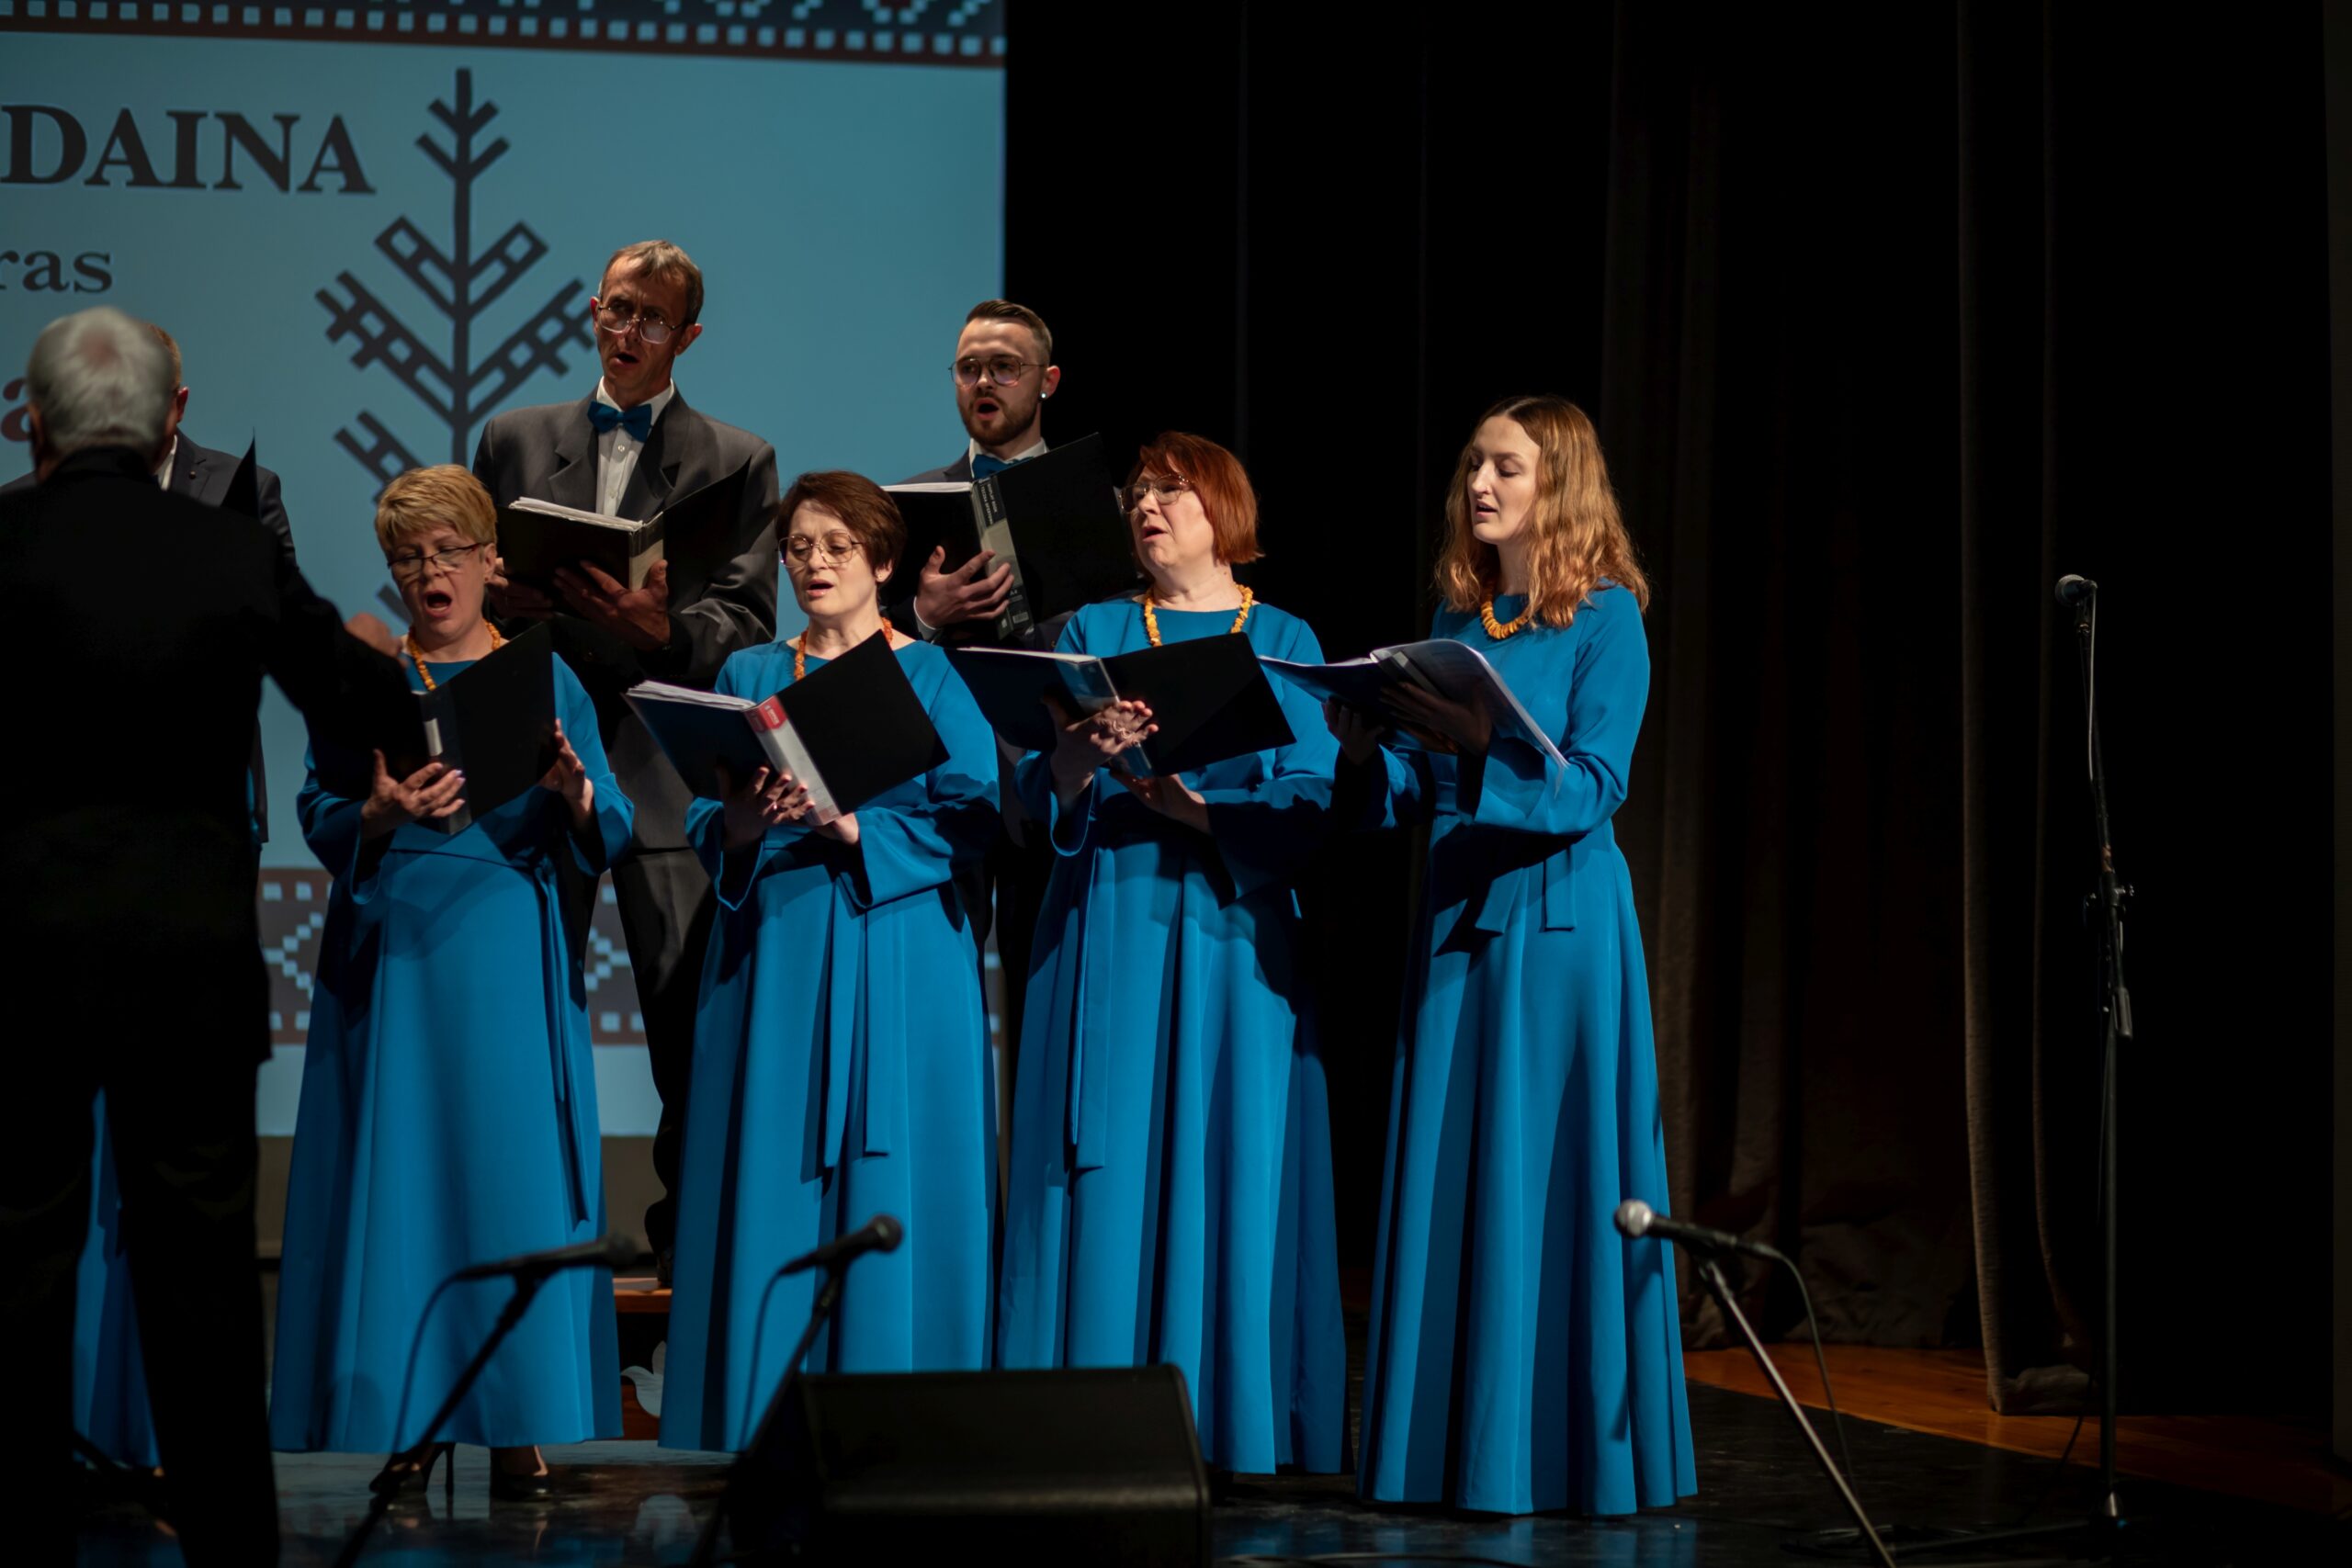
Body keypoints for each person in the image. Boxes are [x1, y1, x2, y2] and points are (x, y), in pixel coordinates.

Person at [0, 305, 408, 1564]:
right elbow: (355, 699)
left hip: (19, 961)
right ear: (160, 421)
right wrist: (375, 662)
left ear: (34, 423)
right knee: (204, 1280)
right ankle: (231, 1549)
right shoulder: (226, 550)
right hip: (187, 967)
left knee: (16, 1261)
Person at [1331, 395, 1695, 1515]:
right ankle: (1444, 1450)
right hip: (1457, 922)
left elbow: (1594, 787)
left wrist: (1476, 749)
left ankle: (1563, 1453)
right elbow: (1412, 792)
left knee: (1547, 1176)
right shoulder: (1460, 617)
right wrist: (1366, 747)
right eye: (1473, 467)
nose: (1479, 485)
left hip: (1557, 926)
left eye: (1506, 467)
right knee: (1456, 1170)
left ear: (1559, 484)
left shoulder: (1608, 619)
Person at [269, 466, 634, 1498]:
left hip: (507, 941)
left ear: (489, 561)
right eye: (409, 557)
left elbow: (610, 821)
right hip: (398, 950)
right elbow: (321, 809)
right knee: (412, 1177)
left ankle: (518, 1422)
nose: (430, 572)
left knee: (506, 1177)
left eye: (448, 552)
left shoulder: (545, 676)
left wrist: (573, 793)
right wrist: (379, 813)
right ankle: (412, 1419)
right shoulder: (370, 681)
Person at [994, 433, 1346, 1477]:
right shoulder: (1095, 629)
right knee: (1102, 1167)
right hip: (1109, 921)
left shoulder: (1281, 635)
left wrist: (1203, 811)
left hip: (1234, 936)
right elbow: (1032, 791)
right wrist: (1074, 757)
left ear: (1224, 511)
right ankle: (1088, 1418)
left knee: (1229, 1158)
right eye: (1139, 493)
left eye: (1172, 492)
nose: (1147, 506)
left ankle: (1229, 1421)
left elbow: (1315, 793)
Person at [661, 472, 999, 1452]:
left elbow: (975, 812)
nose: (814, 563)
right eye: (799, 547)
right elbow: (705, 812)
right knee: (774, 1164)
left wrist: (854, 827)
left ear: (882, 563)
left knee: (895, 1172)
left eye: (837, 546)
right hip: (781, 944)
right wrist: (737, 821)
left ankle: (901, 1415)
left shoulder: (932, 675)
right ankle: (768, 1414)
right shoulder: (751, 672)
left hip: (899, 945)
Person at [471, 238, 780, 1280]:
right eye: (615, 308)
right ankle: (517, 1246)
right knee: (514, 1018)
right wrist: (498, 597)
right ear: (591, 312)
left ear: (687, 335)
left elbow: (747, 620)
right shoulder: (514, 438)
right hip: (538, 759)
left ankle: (688, 1259)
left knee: (686, 1036)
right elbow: (464, 577)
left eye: (651, 318)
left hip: (660, 773)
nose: (627, 331)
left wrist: (663, 631)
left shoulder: (736, 458)